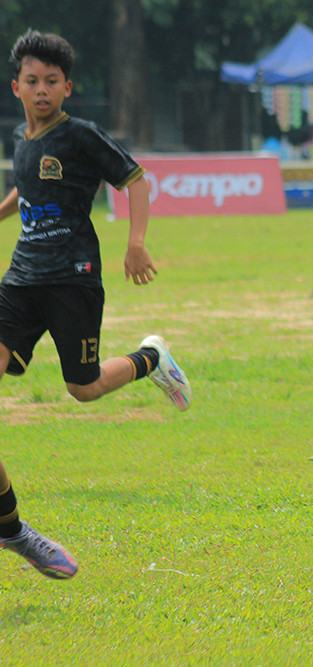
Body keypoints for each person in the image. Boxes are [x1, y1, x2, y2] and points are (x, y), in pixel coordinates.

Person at [0, 30, 192, 578]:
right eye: (32, 81)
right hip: (19, 279)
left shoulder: (81, 136)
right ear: (16, 87)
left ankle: (151, 359)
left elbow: (134, 180)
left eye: (52, 82)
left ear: (67, 87)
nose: (42, 90)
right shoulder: (21, 139)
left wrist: (135, 242)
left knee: (82, 387)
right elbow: (25, 189)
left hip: (73, 280)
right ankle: (11, 528)